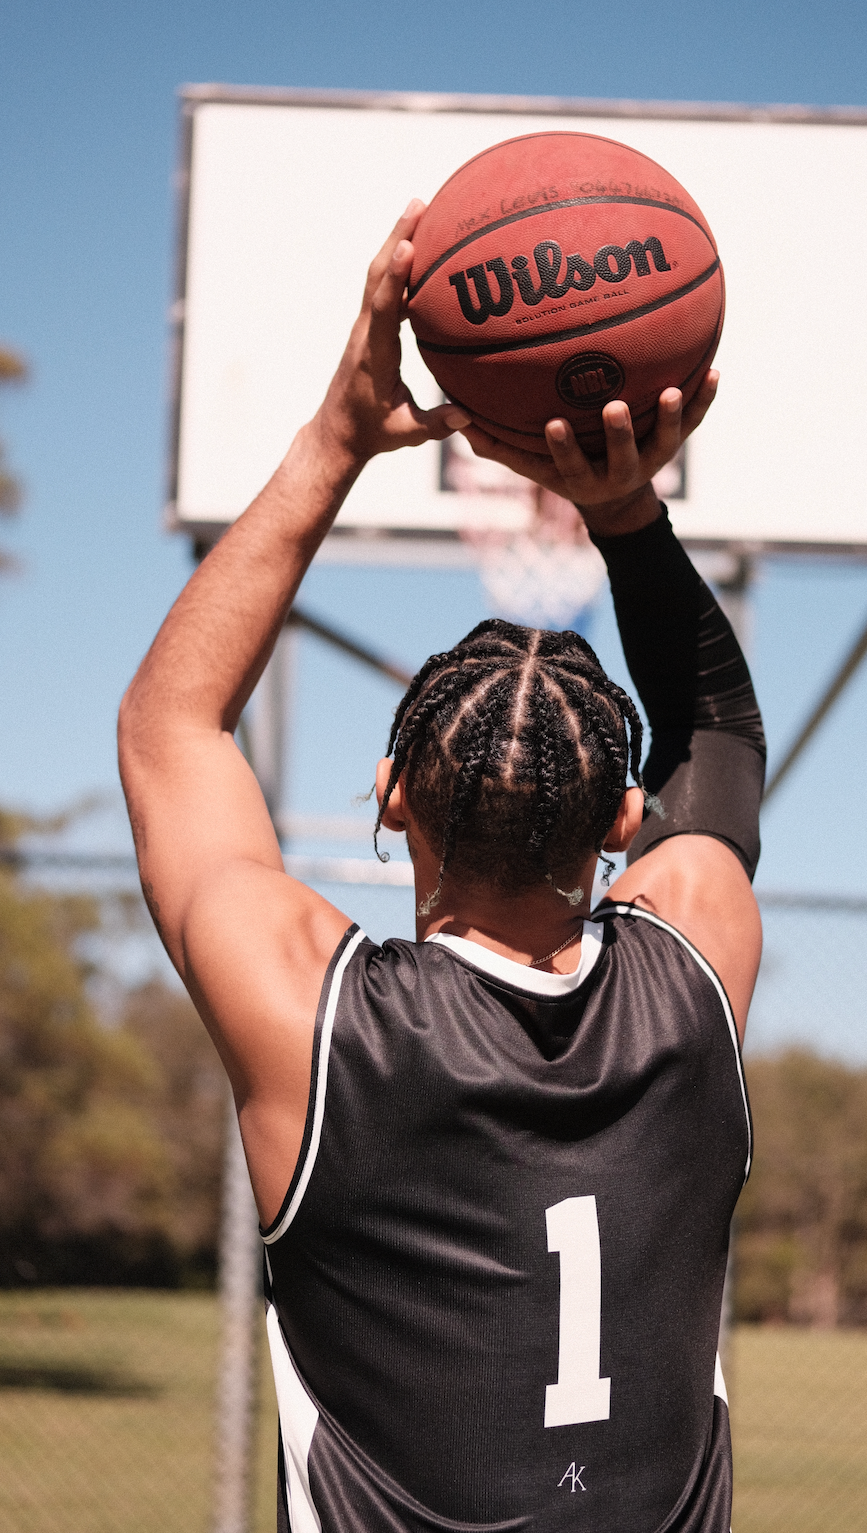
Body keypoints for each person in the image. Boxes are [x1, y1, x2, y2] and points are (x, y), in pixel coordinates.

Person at [119, 201, 765, 1533]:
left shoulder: (320, 1022)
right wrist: (628, 507)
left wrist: (334, 442)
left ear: (391, 793)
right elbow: (721, 735)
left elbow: (170, 726)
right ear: (622, 820)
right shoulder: (695, 973)